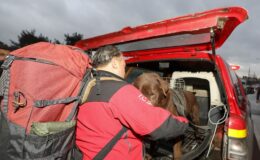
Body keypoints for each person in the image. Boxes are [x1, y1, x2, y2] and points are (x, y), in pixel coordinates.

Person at [76, 45, 189, 160]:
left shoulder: (86, 86)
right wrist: (184, 123)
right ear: (115, 63)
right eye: (123, 64)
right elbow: (161, 127)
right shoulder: (120, 91)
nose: (124, 68)